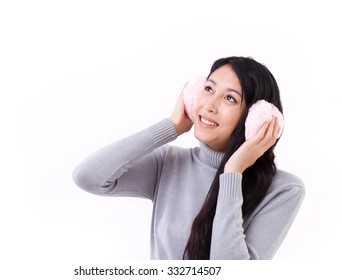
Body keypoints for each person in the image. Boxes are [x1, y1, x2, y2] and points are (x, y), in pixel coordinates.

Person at [72, 56, 305, 260]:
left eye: (230, 98)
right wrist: (171, 127)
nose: (209, 105)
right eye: (209, 89)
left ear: (257, 119)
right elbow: (87, 177)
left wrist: (232, 172)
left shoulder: (284, 190)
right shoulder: (168, 164)